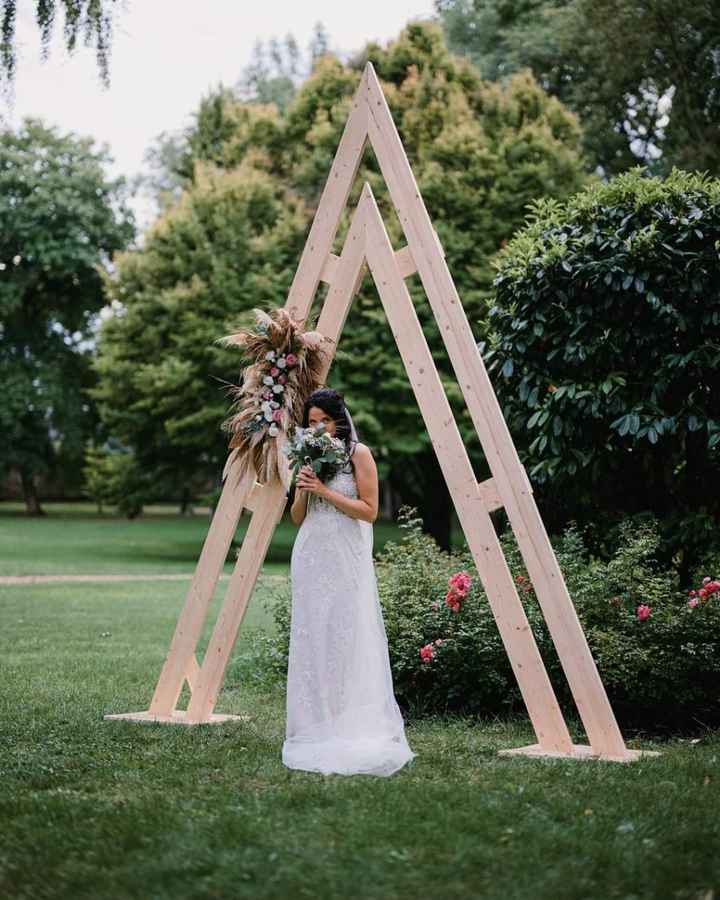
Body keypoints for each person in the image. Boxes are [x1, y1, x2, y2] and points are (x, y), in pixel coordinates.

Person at [282, 387, 416, 777]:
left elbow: (370, 511)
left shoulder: (359, 454)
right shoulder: (306, 455)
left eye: (324, 420)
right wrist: (306, 489)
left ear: (338, 419)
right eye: (311, 422)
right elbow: (296, 517)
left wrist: (325, 490)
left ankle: (347, 723)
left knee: (345, 636)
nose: (318, 428)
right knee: (313, 638)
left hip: (345, 556)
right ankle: (312, 726)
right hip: (311, 554)